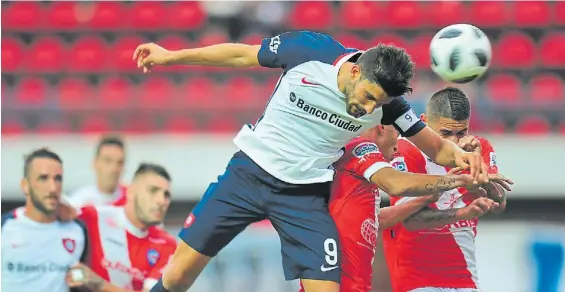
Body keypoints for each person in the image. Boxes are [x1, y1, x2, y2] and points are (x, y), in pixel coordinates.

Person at [133, 31, 490, 292]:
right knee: (178, 276)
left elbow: (437, 150)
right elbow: (241, 55)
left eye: (376, 104)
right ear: (353, 72)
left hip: (303, 196)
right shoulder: (309, 50)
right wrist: (169, 56)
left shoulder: (391, 106)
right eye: (367, 97)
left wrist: (463, 160)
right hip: (248, 175)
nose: (367, 110)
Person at [300, 123, 511, 292]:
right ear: (381, 127)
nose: (397, 145)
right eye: (396, 133)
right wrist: (457, 181)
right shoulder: (360, 148)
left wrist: (428, 197)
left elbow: (378, 219)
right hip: (334, 280)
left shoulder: (358, 173)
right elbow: (397, 183)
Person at [383, 87, 510, 292]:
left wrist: (478, 169)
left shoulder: (478, 148)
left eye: (461, 133)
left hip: (466, 276)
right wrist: (462, 213)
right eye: (445, 133)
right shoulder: (404, 150)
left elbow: (499, 203)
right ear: (422, 122)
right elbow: (410, 220)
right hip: (417, 279)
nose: (453, 141)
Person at [65, 163, 177, 292]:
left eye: (166, 195)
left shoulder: (167, 245)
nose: (162, 200)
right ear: (131, 192)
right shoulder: (93, 216)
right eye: (153, 190)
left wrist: (98, 283)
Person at [1, 148, 87, 292]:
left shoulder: (77, 230)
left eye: (58, 179)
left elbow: (82, 279)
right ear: (25, 186)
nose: (53, 188)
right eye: (43, 178)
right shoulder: (5, 227)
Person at [66, 135, 127, 208]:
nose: (114, 168)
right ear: (95, 163)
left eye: (119, 162)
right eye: (108, 161)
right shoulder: (78, 202)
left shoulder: (131, 201)